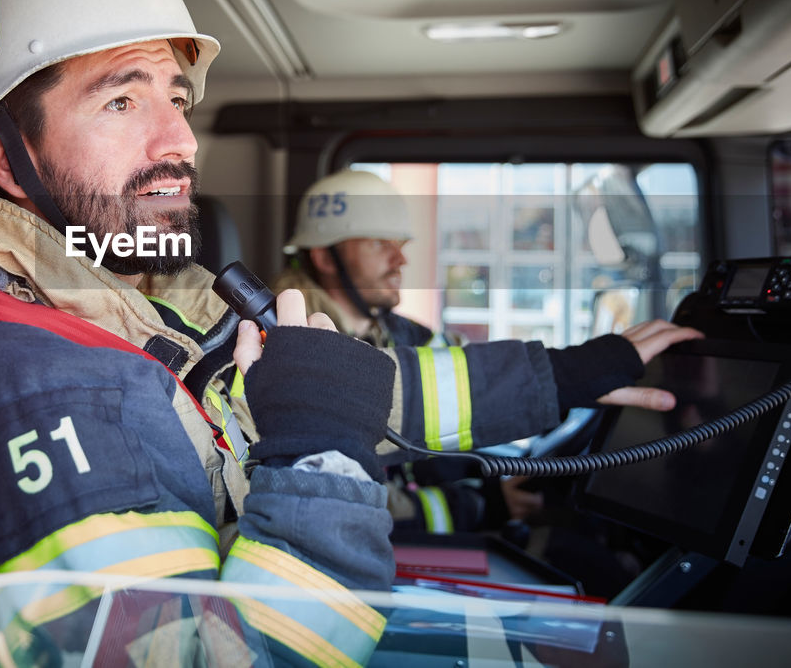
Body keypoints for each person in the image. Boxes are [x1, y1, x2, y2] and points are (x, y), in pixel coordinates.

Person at [0, 0, 699, 665]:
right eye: (122, 101)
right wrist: (319, 457)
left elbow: (365, 387)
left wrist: (566, 375)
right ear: (7, 162)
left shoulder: (148, 296)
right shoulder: (25, 380)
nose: (181, 141)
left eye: (177, 99)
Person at [271, 169, 696, 535]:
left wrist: (571, 382)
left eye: (399, 242)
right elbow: (344, 496)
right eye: (379, 243)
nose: (401, 258)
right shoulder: (284, 348)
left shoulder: (400, 333)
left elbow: (469, 380)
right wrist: (481, 505)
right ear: (325, 257)